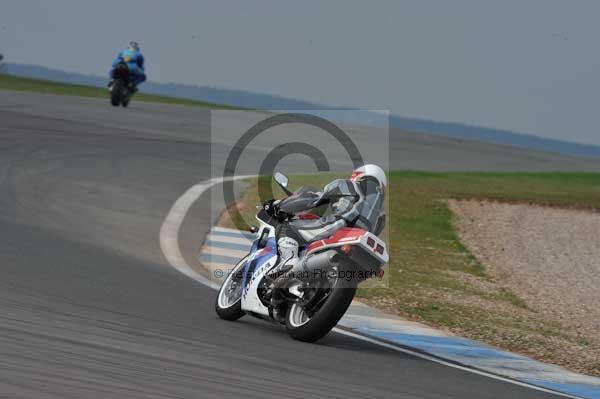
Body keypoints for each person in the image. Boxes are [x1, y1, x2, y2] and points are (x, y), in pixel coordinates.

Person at [264, 164, 387, 267]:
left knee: (288, 227)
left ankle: (287, 262)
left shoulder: (347, 185)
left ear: (357, 176)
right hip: (354, 245)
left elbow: (312, 199)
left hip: (337, 225)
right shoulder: (381, 216)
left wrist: (280, 205)